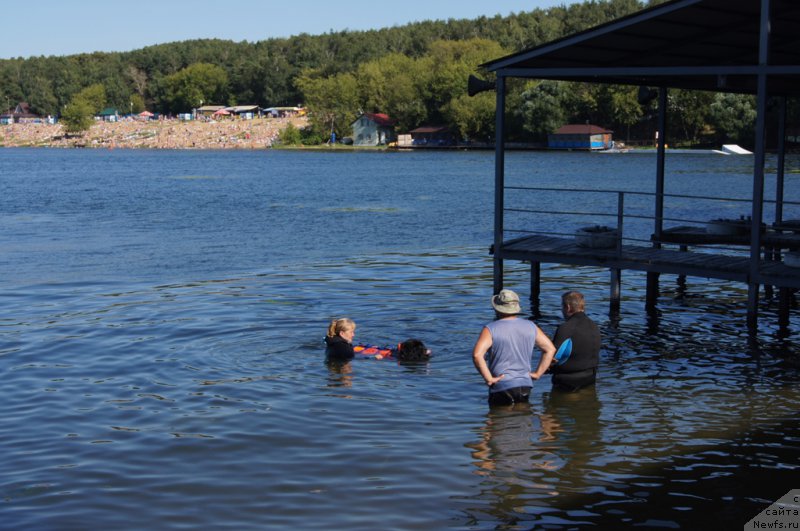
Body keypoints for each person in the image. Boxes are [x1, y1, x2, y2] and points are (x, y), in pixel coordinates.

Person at [472, 289, 556, 407]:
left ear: (497, 308)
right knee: (523, 420)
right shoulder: (531, 326)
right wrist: (537, 374)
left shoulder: (490, 329)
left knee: (499, 422)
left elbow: (477, 355)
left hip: (502, 385)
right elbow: (550, 349)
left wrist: (489, 379)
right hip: (525, 384)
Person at [550, 291, 601, 391]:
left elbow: (553, 356)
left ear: (568, 307)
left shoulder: (566, 328)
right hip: (590, 378)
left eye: (562, 307)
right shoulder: (594, 326)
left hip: (567, 381)